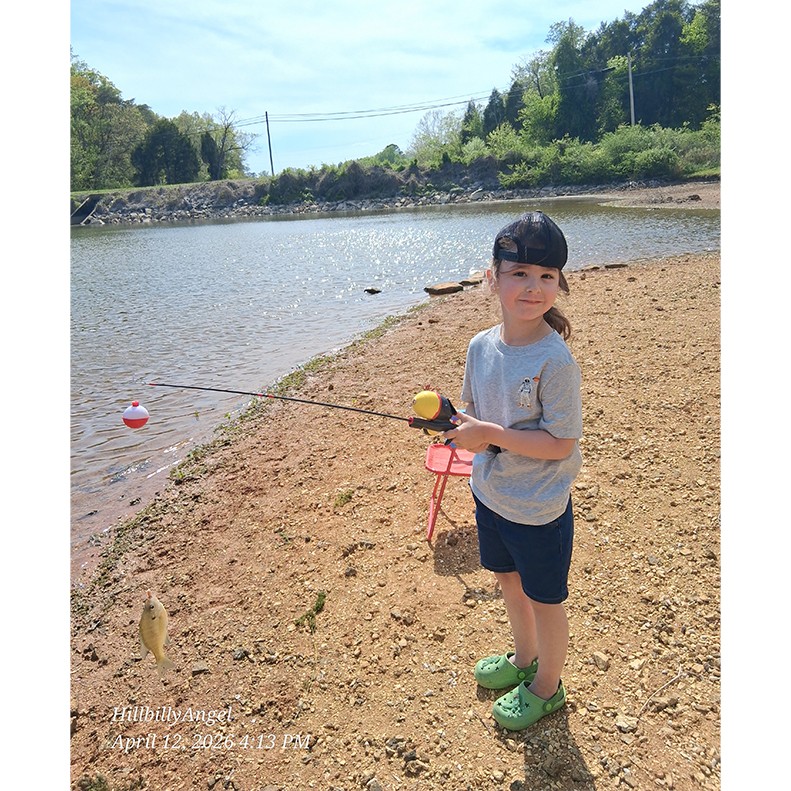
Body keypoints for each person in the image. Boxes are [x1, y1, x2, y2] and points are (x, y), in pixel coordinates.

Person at [443, 210, 582, 731]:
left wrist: (494, 436)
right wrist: (447, 421)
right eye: (520, 272)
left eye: (547, 276)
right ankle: (523, 660)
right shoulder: (480, 346)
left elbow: (561, 442)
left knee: (545, 599)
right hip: (491, 495)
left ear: (559, 285)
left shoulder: (555, 360)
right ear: (492, 277)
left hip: (539, 508)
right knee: (507, 580)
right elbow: (470, 412)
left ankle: (548, 685)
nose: (533, 287)